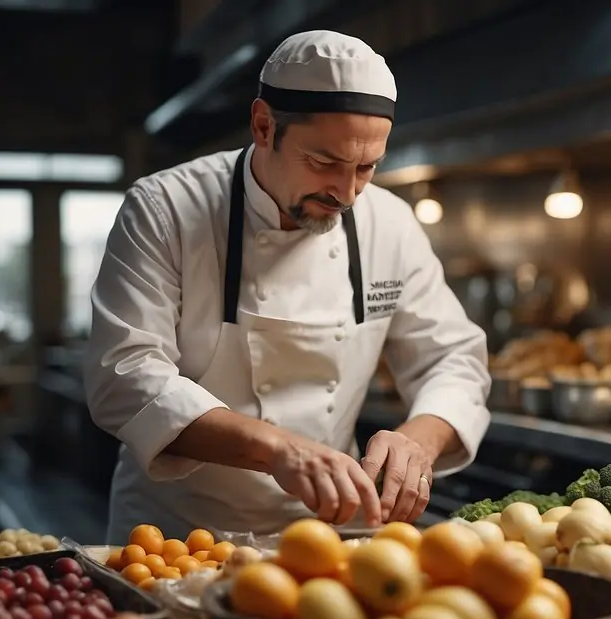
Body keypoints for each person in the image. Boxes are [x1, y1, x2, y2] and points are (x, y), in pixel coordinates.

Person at [85, 31, 491, 544]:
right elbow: (125, 374)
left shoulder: (389, 223)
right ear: (263, 126)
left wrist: (419, 440)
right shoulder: (165, 208)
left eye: (366, 167)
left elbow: (453, 359)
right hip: (178, 534)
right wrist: (277, 448)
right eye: (323, 163)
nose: (346, 193)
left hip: (334, 533)